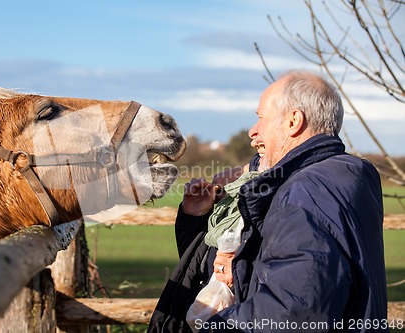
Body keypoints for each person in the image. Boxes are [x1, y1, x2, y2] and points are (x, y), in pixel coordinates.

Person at [148, 70, 388, 332]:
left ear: (294, 121)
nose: (253, 131)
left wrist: (216, 328)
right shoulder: (350, 175)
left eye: (261, 118)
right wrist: (197, 219)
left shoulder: (304, 192)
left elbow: (294, 310)